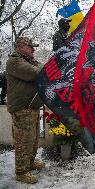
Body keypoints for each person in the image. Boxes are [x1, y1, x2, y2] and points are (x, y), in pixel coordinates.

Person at [6, 37, 45, 184]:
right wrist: (42, 66)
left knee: (33, 139)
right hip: (22, 108)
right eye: (30, 47)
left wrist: (41, 65)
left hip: (31, 107)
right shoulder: (14, 62)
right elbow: (35, 73)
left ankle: (30, 162)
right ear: (20, 47)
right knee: (23, 141)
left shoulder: (28, 60)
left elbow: (40, 67)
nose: (33, 50)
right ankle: (21, 171)